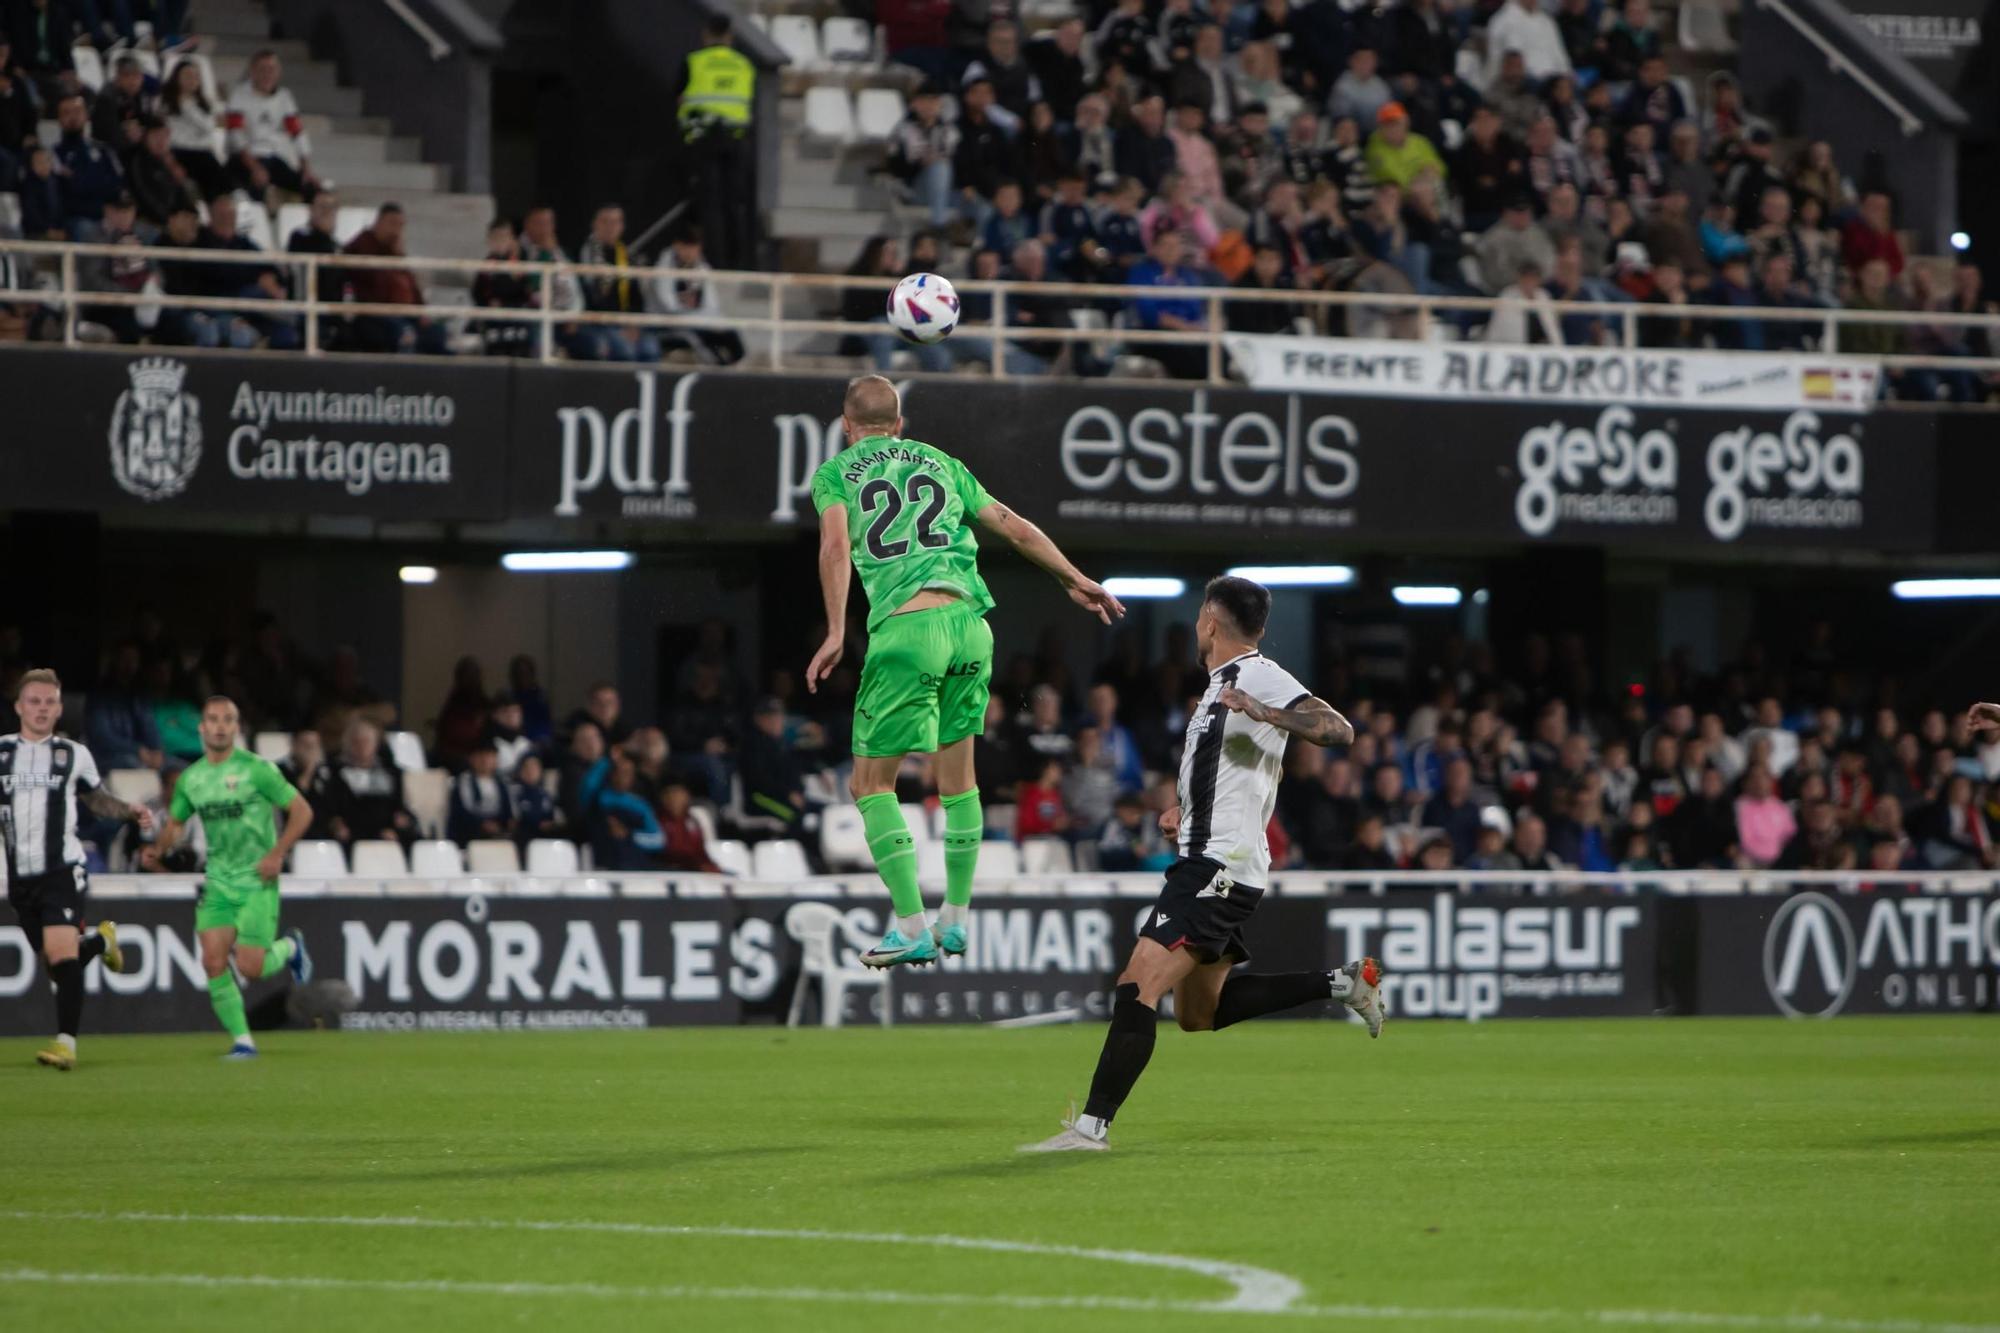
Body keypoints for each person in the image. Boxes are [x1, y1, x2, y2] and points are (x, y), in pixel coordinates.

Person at [1020, 577, 1382, 1153]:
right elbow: (1248, 773)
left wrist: (1265, 710)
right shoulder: (1219, 687)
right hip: (1212, 857)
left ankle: (1091, 1128)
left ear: (1211, 621)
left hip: (1218, 867)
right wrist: (1183, 810)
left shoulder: (1256, 677)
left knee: (1136, 985)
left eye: (1198, 617)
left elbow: (1339, 729)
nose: (1195, 627)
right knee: (1198, 1015)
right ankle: (1340, 984)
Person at [805, 375, 1121, 967]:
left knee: (870, 785)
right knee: (959, 782)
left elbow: (835, 548)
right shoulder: (941, 462)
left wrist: (833, 630)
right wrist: (1073, 577)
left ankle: (910, 926)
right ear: (900, 425)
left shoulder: (836, 473)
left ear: (847, 427)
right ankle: (956, 919)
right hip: (971, 626)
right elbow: (1013, 525)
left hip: (908, 629)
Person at [142, 695, 313, 1061]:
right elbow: (176, 823)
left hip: (256, 880)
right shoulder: (192, 778)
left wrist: (277, 853)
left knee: (251, 966)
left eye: (227, 720)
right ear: (202, 728)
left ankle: (291, 948)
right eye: (213, 719)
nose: (220, 726)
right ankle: (243, 1042)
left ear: (236, 728)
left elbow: (302, 811)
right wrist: (159, 847)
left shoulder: (258, 769)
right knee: (213, 962)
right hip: (218, 880)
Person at [3, 669, 153, 1070]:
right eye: (34, 701)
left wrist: (128, 810)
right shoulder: (1, 753)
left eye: (49, 702)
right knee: (56, 964)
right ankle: (102, 943)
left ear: (59, 708)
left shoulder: (72, 754)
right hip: (19, 877)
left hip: (62, 869)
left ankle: (66, 1044)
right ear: (18, 707)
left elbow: (96, 800)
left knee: (62, 958)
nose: (42, 708)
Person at [674, 14, 755, 268]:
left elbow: (679, 98)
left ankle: (715, 261)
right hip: (737, 141)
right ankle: (738, 263)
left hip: (704, 139)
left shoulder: (694, 61)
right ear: (730, 36)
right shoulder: (744, 65)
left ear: (706, 34)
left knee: (710, 204)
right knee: (735, 204)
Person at [342, 203, 450, 354]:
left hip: (405, 313)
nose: (396, 231)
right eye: (392, 223)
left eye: (400, 225)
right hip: (376, 313)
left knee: (437, 332)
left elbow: (412, 286)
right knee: (405, 333)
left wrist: (421, 311)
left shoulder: (396, 251)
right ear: (378, 222)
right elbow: (373, 283)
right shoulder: (361, 246)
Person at [225, 49, 318, 202]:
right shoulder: (239, 95)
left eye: (272, 69)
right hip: (244, 159)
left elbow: (297, 132)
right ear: (252, 71)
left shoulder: (284, 97)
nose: (267, 74)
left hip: (271, 158)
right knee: (256, 186)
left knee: (311, 189)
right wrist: (255, 167)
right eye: (262, 69)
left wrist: (306, 169)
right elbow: (236, 135)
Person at [447, 738, 515, 846]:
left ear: (496, 760)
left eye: (489, 755)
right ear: (471, 758)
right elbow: (460, 813)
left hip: (498, 833)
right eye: (480, 755)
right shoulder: (463, 782)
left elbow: (507, 812)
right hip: (470, 834)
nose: (484, 760)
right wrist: (481, 824)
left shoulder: (502, 784)